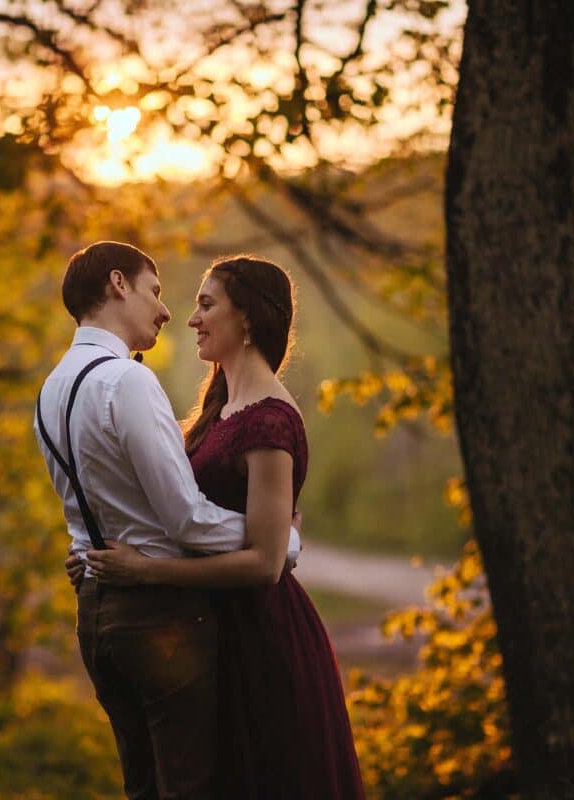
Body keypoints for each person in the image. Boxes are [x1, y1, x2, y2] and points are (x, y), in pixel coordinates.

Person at [83, 255, 366, 799]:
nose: (191, 319)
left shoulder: (269, 420)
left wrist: (147, 572)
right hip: (209, 633)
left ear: (249, 320)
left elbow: (264, 563)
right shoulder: (221, 408)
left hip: (260, 638)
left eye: (207, 305)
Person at [33, 241, 301, 800]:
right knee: (190, 786)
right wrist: (280, 542)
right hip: (159, 620)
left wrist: (89, 551)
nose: (166, 310)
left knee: (142, 785)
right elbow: (186, 522)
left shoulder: (51, 389)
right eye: (155, 292)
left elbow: (89, 510)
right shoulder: (126, 381)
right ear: (117, 284)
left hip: (95, 614)